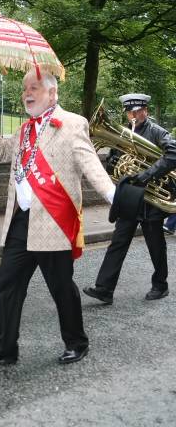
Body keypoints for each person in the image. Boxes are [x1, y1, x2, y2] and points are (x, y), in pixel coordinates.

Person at [0, 69, 115, 365]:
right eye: (25, 88)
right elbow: (1, 152)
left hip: (54, 221)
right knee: (8, 283)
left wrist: (113, 195)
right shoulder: (25, 129)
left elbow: (91, 166)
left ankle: (77, 342)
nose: (27, 93)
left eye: (34, 87)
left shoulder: (74, 124)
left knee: (61, 286)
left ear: (52, 93)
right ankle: (5, 348)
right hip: (21, 221)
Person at [84, 93, 176, 305]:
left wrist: (146, 175)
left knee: (155, 245)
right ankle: (104, 289)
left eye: (138, 111)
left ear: (146, 111)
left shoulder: (157, 132)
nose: (134, 115)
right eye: (130, 111)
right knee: (118, 241)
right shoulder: (123, 133)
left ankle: (160, 285)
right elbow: (114, 163)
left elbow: (173, 154)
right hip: (130, 197)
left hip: (151, 200)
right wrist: (114, 161)